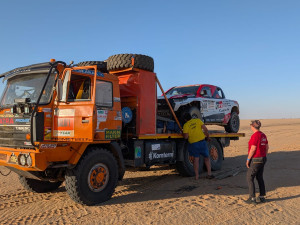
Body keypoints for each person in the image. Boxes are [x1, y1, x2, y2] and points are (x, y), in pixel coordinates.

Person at [182, 113, 214, 180]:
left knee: (196, 160)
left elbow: (186, 137)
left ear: (185, 119)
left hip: (194, 144)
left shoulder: (186, 125)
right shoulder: (198, 120)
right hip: (202, 142)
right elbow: (206, 129)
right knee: (207, 158)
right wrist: (208, 137)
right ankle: (209, 174)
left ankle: (197, 176)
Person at [245, 120, 269, 204]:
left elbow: (253, 148)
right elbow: (266, 147)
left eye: (251, 125)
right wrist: (263, 156)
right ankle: (262, 196)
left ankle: (252, 198)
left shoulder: (255, 136)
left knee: (249, 177)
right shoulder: (263, 135)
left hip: (256, 159)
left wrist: (248, 159)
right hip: (262, 158)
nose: (250, 126)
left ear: (253, 126)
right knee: (259, 177)